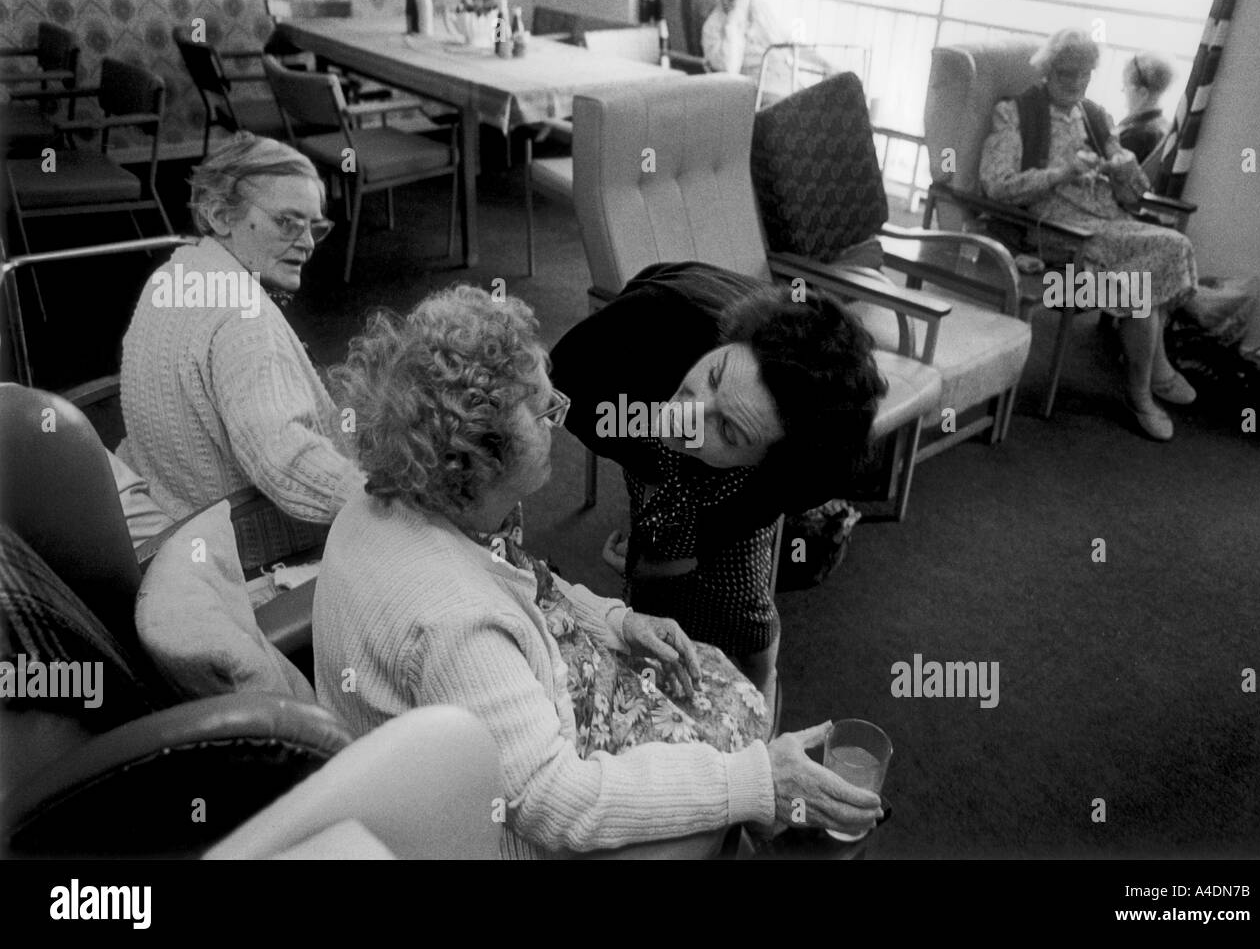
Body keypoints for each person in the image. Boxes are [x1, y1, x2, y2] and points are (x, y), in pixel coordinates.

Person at [313, 285, 885, 858]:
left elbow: (515, 574)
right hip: (490, 834)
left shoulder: (412, 493)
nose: (563, 413)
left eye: (729, 432)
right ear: (483, 459)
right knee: (729, 720)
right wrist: (756, 784)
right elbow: (557, 802)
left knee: (716, 678)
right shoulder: (459, 629)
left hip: (475, 751)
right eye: (546, 411)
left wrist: (613, 619)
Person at [550, 262, 885, 710]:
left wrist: (681, 543)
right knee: (655, 595)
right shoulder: (652, 325)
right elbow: (562, 387)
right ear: (728, 343)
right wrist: (647, 547)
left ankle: (765, 683)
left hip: (729, 471)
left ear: (765, 466)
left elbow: (733, 518)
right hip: (643, 392)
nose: (686, 417)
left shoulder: (788, 479)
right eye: (714, 377)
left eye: (729, 430)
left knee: (744, 607)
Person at [117, 132, 365, 566]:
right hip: (236, 540)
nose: (307, 242)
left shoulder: (176, 274)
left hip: (175, 506)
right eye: (287, 222)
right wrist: (387, 504)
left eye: (315, 226)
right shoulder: (244, 322)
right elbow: (285, 461)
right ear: (219, 216)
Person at [979, 28, 1199, 441]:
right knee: (1171, 246)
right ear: (1047, 70)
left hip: (1108, 225)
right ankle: (1153, 379)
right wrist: (1061, 172)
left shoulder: (1097, 116)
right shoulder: (1015, 113)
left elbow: (1134, 196)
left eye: (1085, 76)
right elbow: (997, 184)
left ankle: (1143, 388)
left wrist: (1124, 167)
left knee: (1138, 286)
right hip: (1061, 234)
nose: (1076, 84)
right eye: (1066, 74)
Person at [701, 0, 830, 103]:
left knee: (842, 88)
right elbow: (730, 69)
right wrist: (734, 22)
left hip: (789, 87)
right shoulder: (713, 27)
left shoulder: (761, 15)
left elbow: (790, 44)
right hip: (760, 92)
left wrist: (826, 65)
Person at [1117, 51, 1174, 164]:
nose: (1122, 90)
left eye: (1125, 86)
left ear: (1143, 93)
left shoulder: (1135, 136)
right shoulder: (1165, 126)